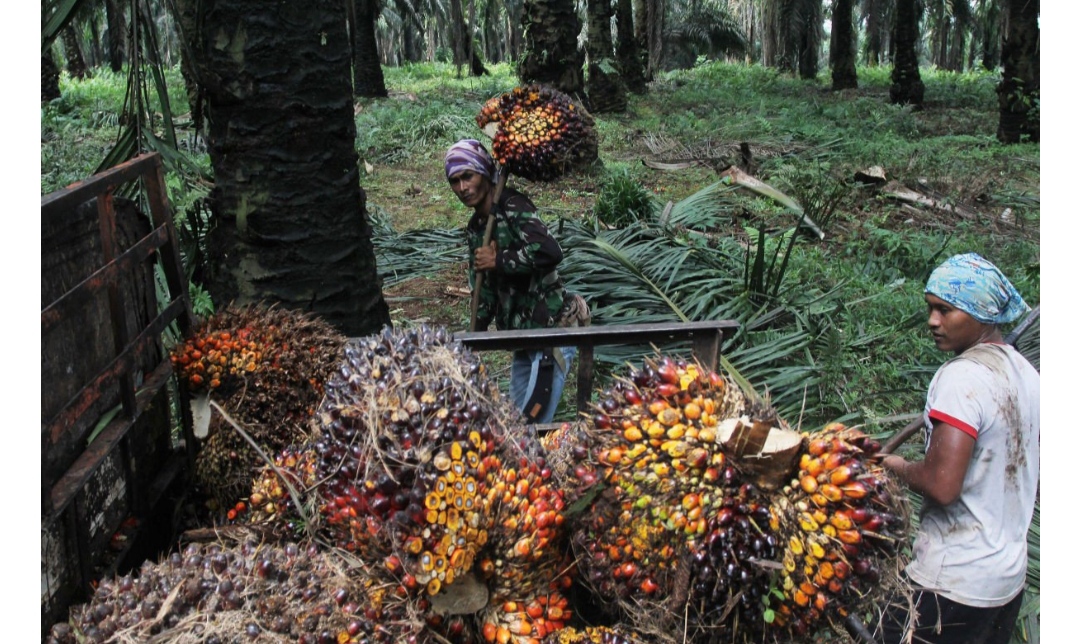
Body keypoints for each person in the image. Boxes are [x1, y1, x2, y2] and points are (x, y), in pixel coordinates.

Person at [877, 253, 1039, 644]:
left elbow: (943, 485)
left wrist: (894, 464)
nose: (933, 321)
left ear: (980, 313)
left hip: (952, 581)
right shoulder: (1027, 375)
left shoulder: (961, 378)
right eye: (931, 308)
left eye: (946, 310)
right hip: (1004, 582)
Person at [444, 139, 589, 424]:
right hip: (521, 336)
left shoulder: (513, 206)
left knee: (533, 422)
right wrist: (474, 338)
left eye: (468, 176)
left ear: (485, 173)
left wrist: (499, 261)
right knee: (515, 423)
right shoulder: (477, 228)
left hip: (552, 329)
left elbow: (550, 252)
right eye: (455, 181)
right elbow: (483, 290)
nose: (463, 188)